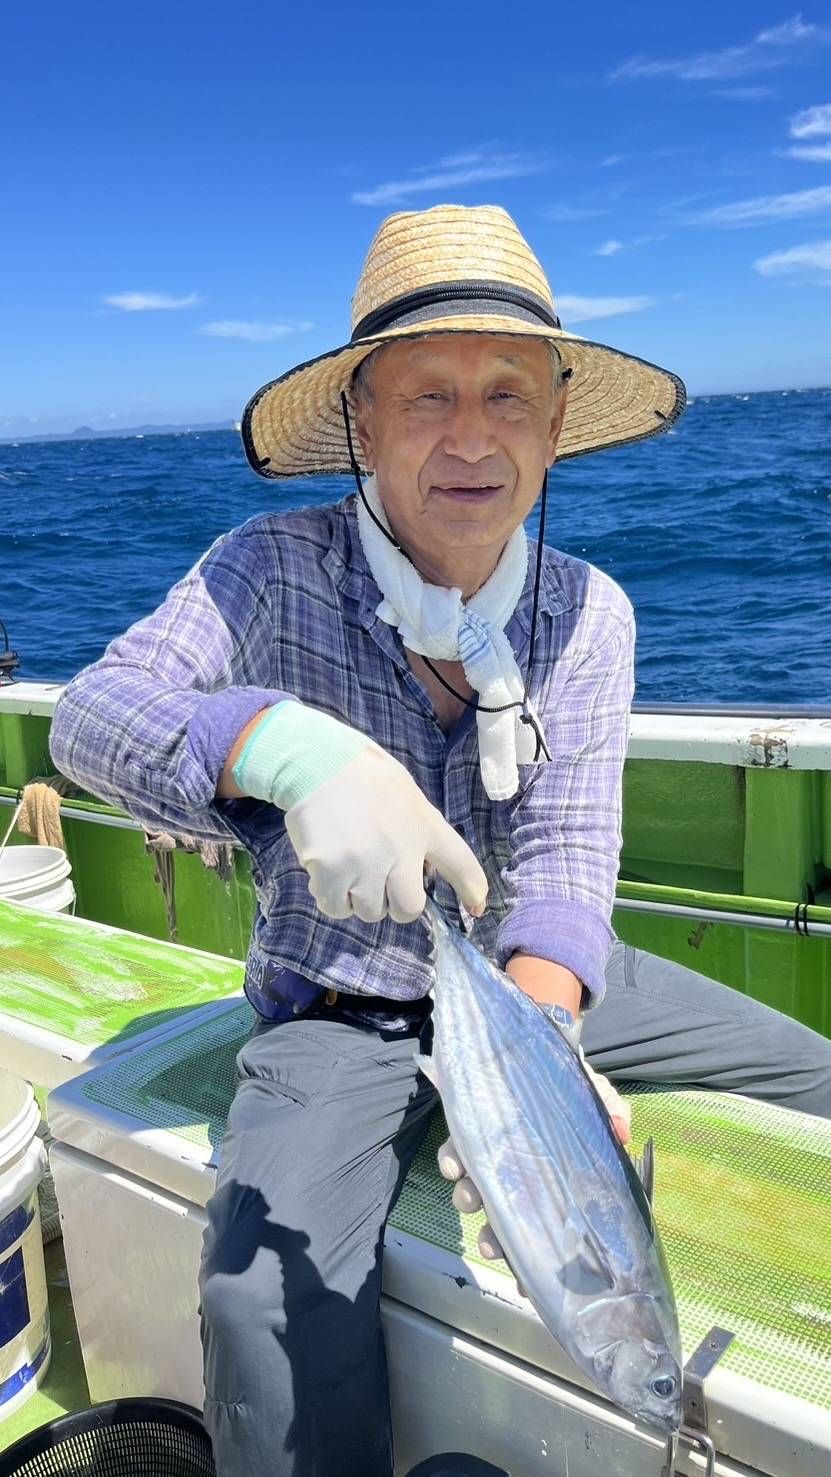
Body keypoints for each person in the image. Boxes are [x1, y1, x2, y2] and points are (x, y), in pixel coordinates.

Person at [49, 204, 831, 1476]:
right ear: (363, 423)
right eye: (427, 396)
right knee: (260, 1303)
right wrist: (279, 748)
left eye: (507, 393)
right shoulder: (267, 569)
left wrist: (539, 1056)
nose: (472, 437)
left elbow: (568, 858)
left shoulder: (589, 611)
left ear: (555, 424)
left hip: (537, 985)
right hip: (338, 1005)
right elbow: (91, 716)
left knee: (818, 1077)